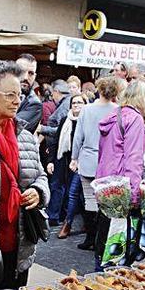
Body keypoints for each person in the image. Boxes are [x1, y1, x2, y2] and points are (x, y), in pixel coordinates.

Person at [0, 60, 50, 290]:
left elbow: (40, 176)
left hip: (19, 243)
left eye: (20, 94)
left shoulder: (24, 136)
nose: (17, 100)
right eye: (10, 95)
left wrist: (38, 192)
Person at [94, 80, 145, 269]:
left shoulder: (115, 114)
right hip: (122, 188)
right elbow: (134, 159)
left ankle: (96, 280)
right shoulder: (134, 119)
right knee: (118, 246)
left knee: (104, 240)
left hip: (106, 184)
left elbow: (103, 152)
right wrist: (134, 195)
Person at [70, 76, 125, 250]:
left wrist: (74, 157)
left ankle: (90, 238)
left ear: (99, 89)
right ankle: (102, 239)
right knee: (106, 201)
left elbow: (78, 136)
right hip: (109, 162)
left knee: (89, 201)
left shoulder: (87, 110)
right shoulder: (119, 110)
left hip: (88, 159)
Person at [50, 94, 87, 239]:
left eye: (80, 102)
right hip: (62, 158)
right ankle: (54, 216)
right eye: (74, 102)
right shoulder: (65, 119)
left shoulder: (86, 120)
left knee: (74, 191)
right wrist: (50, 160)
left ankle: (68, 219)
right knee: (57, 185)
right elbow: (56, 139)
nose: (76, 105)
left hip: (78, 160)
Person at [41, 79, 71, 224]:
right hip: (60, 150)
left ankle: (53, 215)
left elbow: (60, 130)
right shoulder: (65, 104)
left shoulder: (65, 105)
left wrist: (43, 129)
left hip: (61, 151)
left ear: (56, 92)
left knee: (57, 184)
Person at [16, 54, 42, 134]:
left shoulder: (34, 104)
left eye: (31, 73)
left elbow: (10, 128)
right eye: (21, 71)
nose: (25, 77)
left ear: (35, 76)